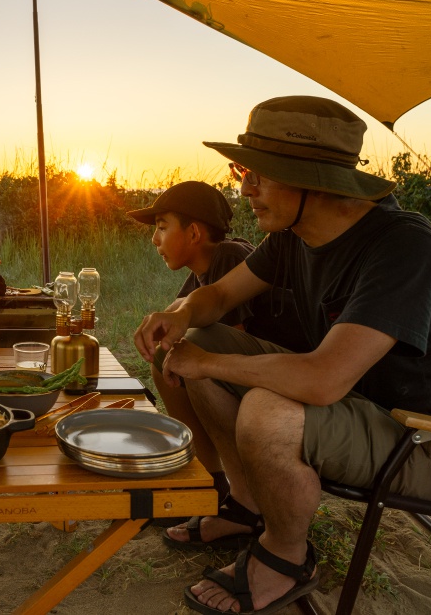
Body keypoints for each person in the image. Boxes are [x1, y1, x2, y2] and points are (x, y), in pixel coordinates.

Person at [134, 96, 431, 614]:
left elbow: (323, 379)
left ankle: (285, 558)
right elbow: (222, 296)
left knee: (267, 410)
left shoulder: (403, 244)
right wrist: (184, 312)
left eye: (260, 174)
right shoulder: (293, 236)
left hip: (426, 443)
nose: (244, 188)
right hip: (358, 411)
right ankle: (247, 503)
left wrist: (209, 365)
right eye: (242, 170)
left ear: (316, 180)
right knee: (194, 342)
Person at [127, 182, 307, 543]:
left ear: (194, 232)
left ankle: (228, 492)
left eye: (162, 227)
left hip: (285, 379)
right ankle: (208, 481)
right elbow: (179, 322)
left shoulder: (228, 255)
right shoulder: (200, 276)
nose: (155, 239)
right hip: (259, 371)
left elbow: (224, 337)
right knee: (171, 354)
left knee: (187, 350)